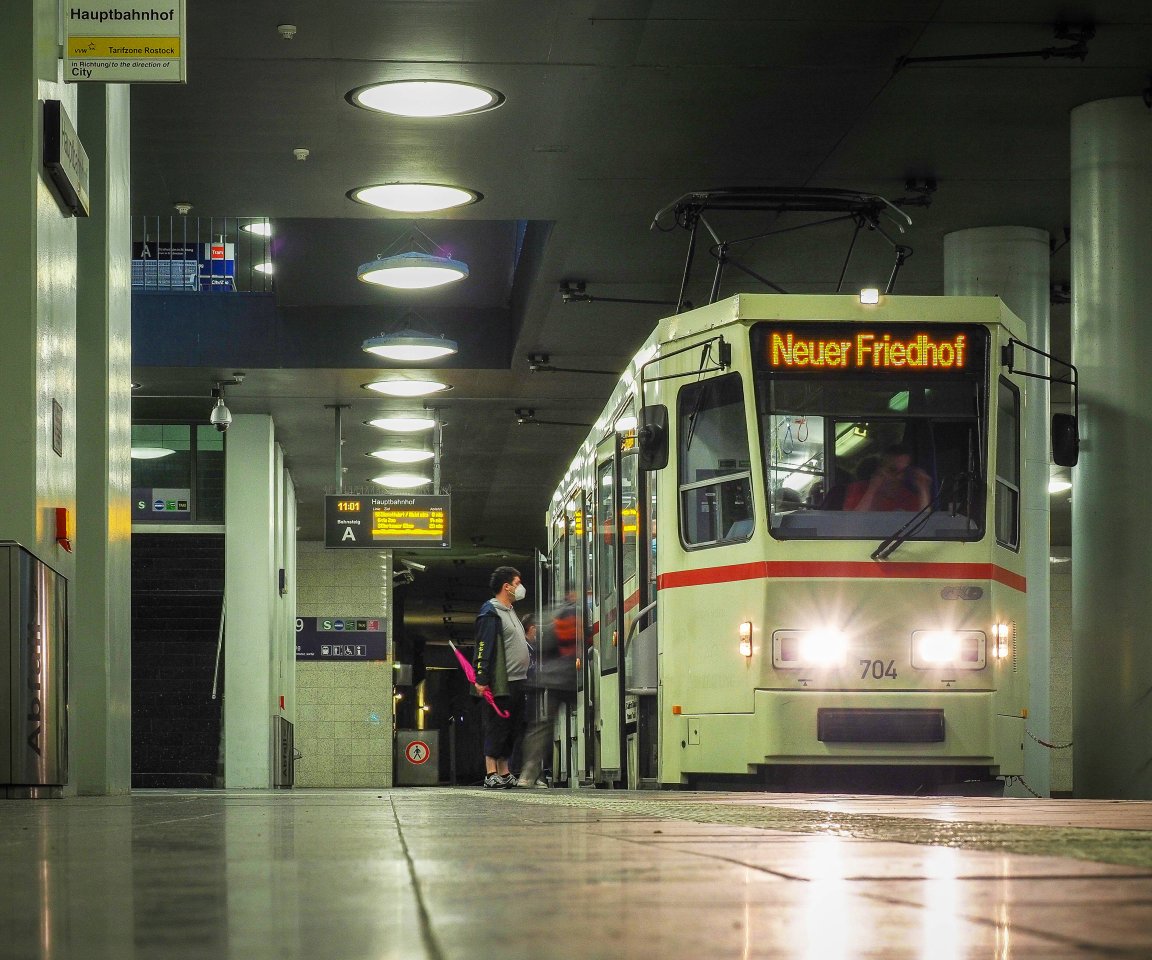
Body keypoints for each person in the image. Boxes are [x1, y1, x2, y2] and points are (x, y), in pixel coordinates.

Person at [472, 566, 532, 789]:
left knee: (512, 726)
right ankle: (491, 772)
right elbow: (483, 646)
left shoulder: (510, 610)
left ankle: (505, 771)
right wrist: (481, 677)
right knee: (496, 726)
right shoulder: (491, 612)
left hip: (518, 680)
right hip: (500, 682)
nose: (520, 587)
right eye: (518, 583)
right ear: (507, 587)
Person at [516, 594, 579, 788]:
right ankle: (531, 773)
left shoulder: (553, 612)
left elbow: (543, 646)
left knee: (543, 726)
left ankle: (531, 772)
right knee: (544, 726)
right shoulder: (568, 614)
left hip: (553, 679)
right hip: (560, 679)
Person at [844, 443, 932, 512]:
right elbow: (853, 521)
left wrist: (923, 489)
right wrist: (872, 489)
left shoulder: (908, 496)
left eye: (904, 471)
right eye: (893, 470)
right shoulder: (859, 489)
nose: (899, 477)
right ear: (881, 468)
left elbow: (924, 526)